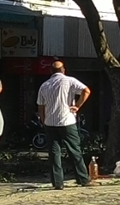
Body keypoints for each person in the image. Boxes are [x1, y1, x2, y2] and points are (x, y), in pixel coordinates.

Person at [37, 61, 93, 189]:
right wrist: (77, 106)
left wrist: (44, 119)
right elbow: (86, 91)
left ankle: (57, 183)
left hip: (50, 123)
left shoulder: (44, 85)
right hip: (67, 121)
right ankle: (83, 179)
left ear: (50, 71)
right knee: (74, 151)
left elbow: (41, 106)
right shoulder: (69, 81)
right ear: (63, 70)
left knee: (54, 153)